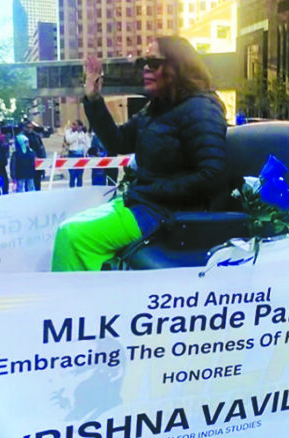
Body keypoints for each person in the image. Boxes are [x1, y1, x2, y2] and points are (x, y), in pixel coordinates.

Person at [52, 36, 229, 272]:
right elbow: (117, 141)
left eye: (153, 62)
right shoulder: (156, 109)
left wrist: (155, 189)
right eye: (143, 62)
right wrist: (94, 99)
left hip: (168, 214)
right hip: (145, 204)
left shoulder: (201, 108)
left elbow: (212, 174)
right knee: (67, 229)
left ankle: (76, 297)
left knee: (73, 236)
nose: (145, 68)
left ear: (177, 67)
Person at [63, 120, 92, 187]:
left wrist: (84, 133)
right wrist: (76, 133)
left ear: (79, 126)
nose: (73, 126)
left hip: (80, 155)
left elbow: (88, 144)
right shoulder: (68, 132)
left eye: (75, 124)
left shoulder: (83, 134)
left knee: (79, 175)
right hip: (72, 154)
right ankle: (72, 188)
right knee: (72, 175)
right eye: (73, 124)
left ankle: (79, 188)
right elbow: (69, 140)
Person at [11, 124, 37, 192]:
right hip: (20, 174)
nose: (27, 144)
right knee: (20, 188)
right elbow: (13, 165)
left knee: (31, 187)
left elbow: (34, 162)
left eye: (27, 142)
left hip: (30, 173)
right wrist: (13, 175)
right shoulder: (16, 153)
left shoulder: (31, 152)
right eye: (25, 142)